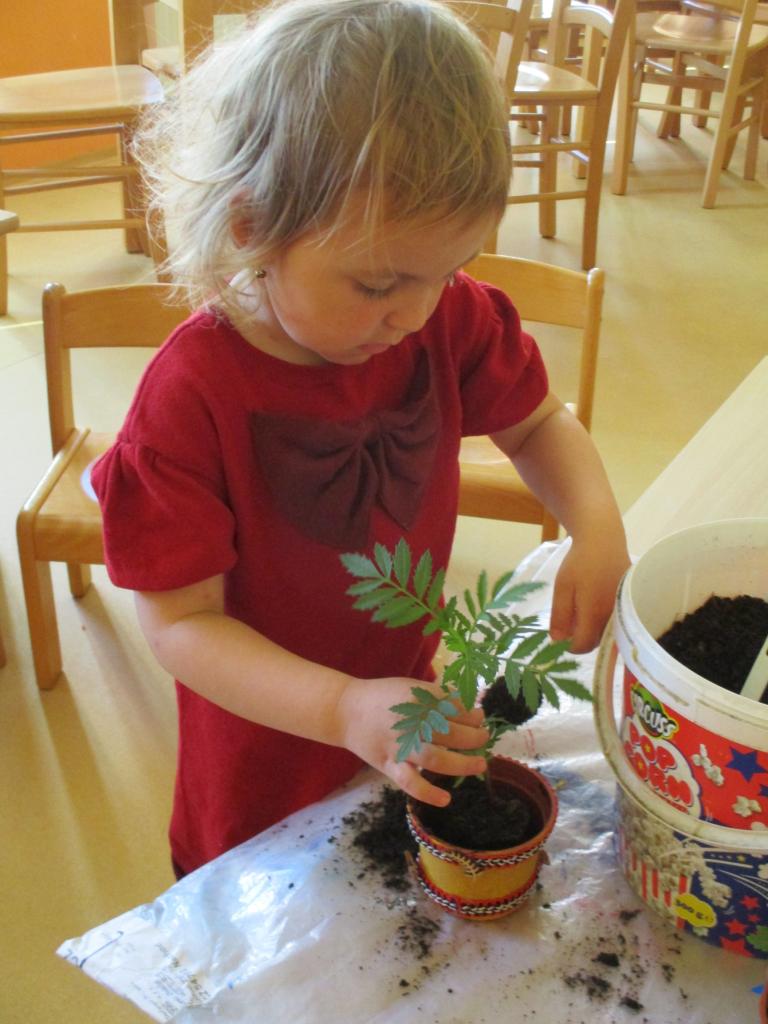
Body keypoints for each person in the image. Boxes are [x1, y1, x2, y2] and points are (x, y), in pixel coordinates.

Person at [92, 0, 629, 878]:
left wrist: (595, 521)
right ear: (250, 227)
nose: (414, 313)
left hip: (403, 710)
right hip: (265, 743)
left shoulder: (442, 317)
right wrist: (339, 707)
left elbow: (537, 422)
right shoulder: (190, 399)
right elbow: (182, 624)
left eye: (448, 271)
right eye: (379, 283)